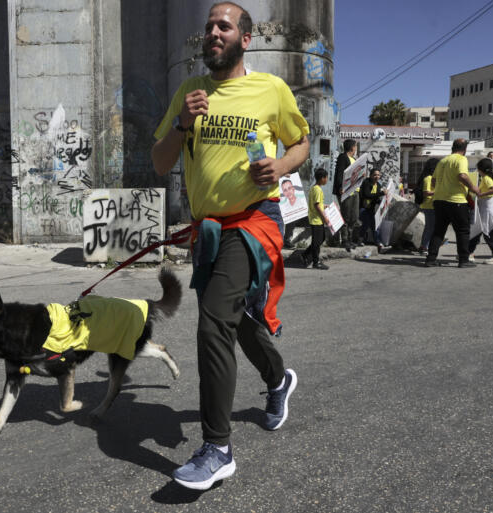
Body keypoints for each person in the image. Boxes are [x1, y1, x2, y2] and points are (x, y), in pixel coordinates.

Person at [151, 1, 309, 490]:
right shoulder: (189, 92)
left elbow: (300, 142)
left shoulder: (270, 90)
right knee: (235, 320)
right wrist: (181, 124)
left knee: (214, 319)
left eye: (224, 25)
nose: (213, 32)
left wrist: (281, 167)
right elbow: (160, 162)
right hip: (209, 229)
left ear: (245, 38)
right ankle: (278, 377)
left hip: (254, 221)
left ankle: (217, 448)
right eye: (208, 26)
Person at [424, 138, 481, 268]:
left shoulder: (443, 161)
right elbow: (462, 175)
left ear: (452, 147)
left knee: (438, 231)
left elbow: (433, 181)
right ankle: (463, 260)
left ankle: (430, 259)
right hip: (456, 200)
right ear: (464, 150)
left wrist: (443, 186)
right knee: (462, 231)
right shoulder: (461, 159)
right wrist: (473, 188)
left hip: (439, 200)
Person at [467, 158, 493, 264]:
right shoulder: (485, 178)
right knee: (477, 231)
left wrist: (480, 194)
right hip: (485, 209)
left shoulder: (486, 178)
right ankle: (469, 253)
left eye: (478, 168)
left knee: (489, 234)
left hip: (488, 210)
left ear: (481, 169)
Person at [332, 139, 359, 250]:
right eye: (355, 146)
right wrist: (340, 187)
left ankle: (350, 239)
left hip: (355, 191)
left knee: (354, 216)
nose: (356, 148)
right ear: (352, 147)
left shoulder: (354, 159)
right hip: (346, 191)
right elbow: (339, 173)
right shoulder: (343, 157)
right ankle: (344, 239)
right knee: (345, 215)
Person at [303, 168, 331, 269]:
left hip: (315, 218)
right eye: (326, 177)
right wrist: (325, 218)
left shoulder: (314, 188)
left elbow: (318, 204)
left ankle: (305, 255)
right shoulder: (318, 190)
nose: (327, 179)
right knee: (317, 242)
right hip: (316, 219)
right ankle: (316, 262)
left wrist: (324, 206)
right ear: (322, 178)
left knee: (320, 239)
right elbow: (317, 206)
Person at [358, 168, 386, 246]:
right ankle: (360, 240)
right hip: (363, 207)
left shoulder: (378, 185)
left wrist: (383, 202)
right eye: (374, 175)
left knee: (374, 225)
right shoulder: (366, 182)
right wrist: (380, 194)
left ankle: (377, 241)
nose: (376, 176)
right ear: (370, 176)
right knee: (366, 223)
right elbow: (367, 195)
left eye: (378, 175)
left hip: (371, 208)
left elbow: (376, 198)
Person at [417, 158, 439, 254]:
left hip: (432, 206)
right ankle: (424, 247)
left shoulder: (432, 177)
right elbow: (426, 193)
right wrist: (438, 192)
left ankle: (425, 246)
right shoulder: (428, 178)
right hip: (429, 206)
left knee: (431, 227)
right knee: (430, 228)